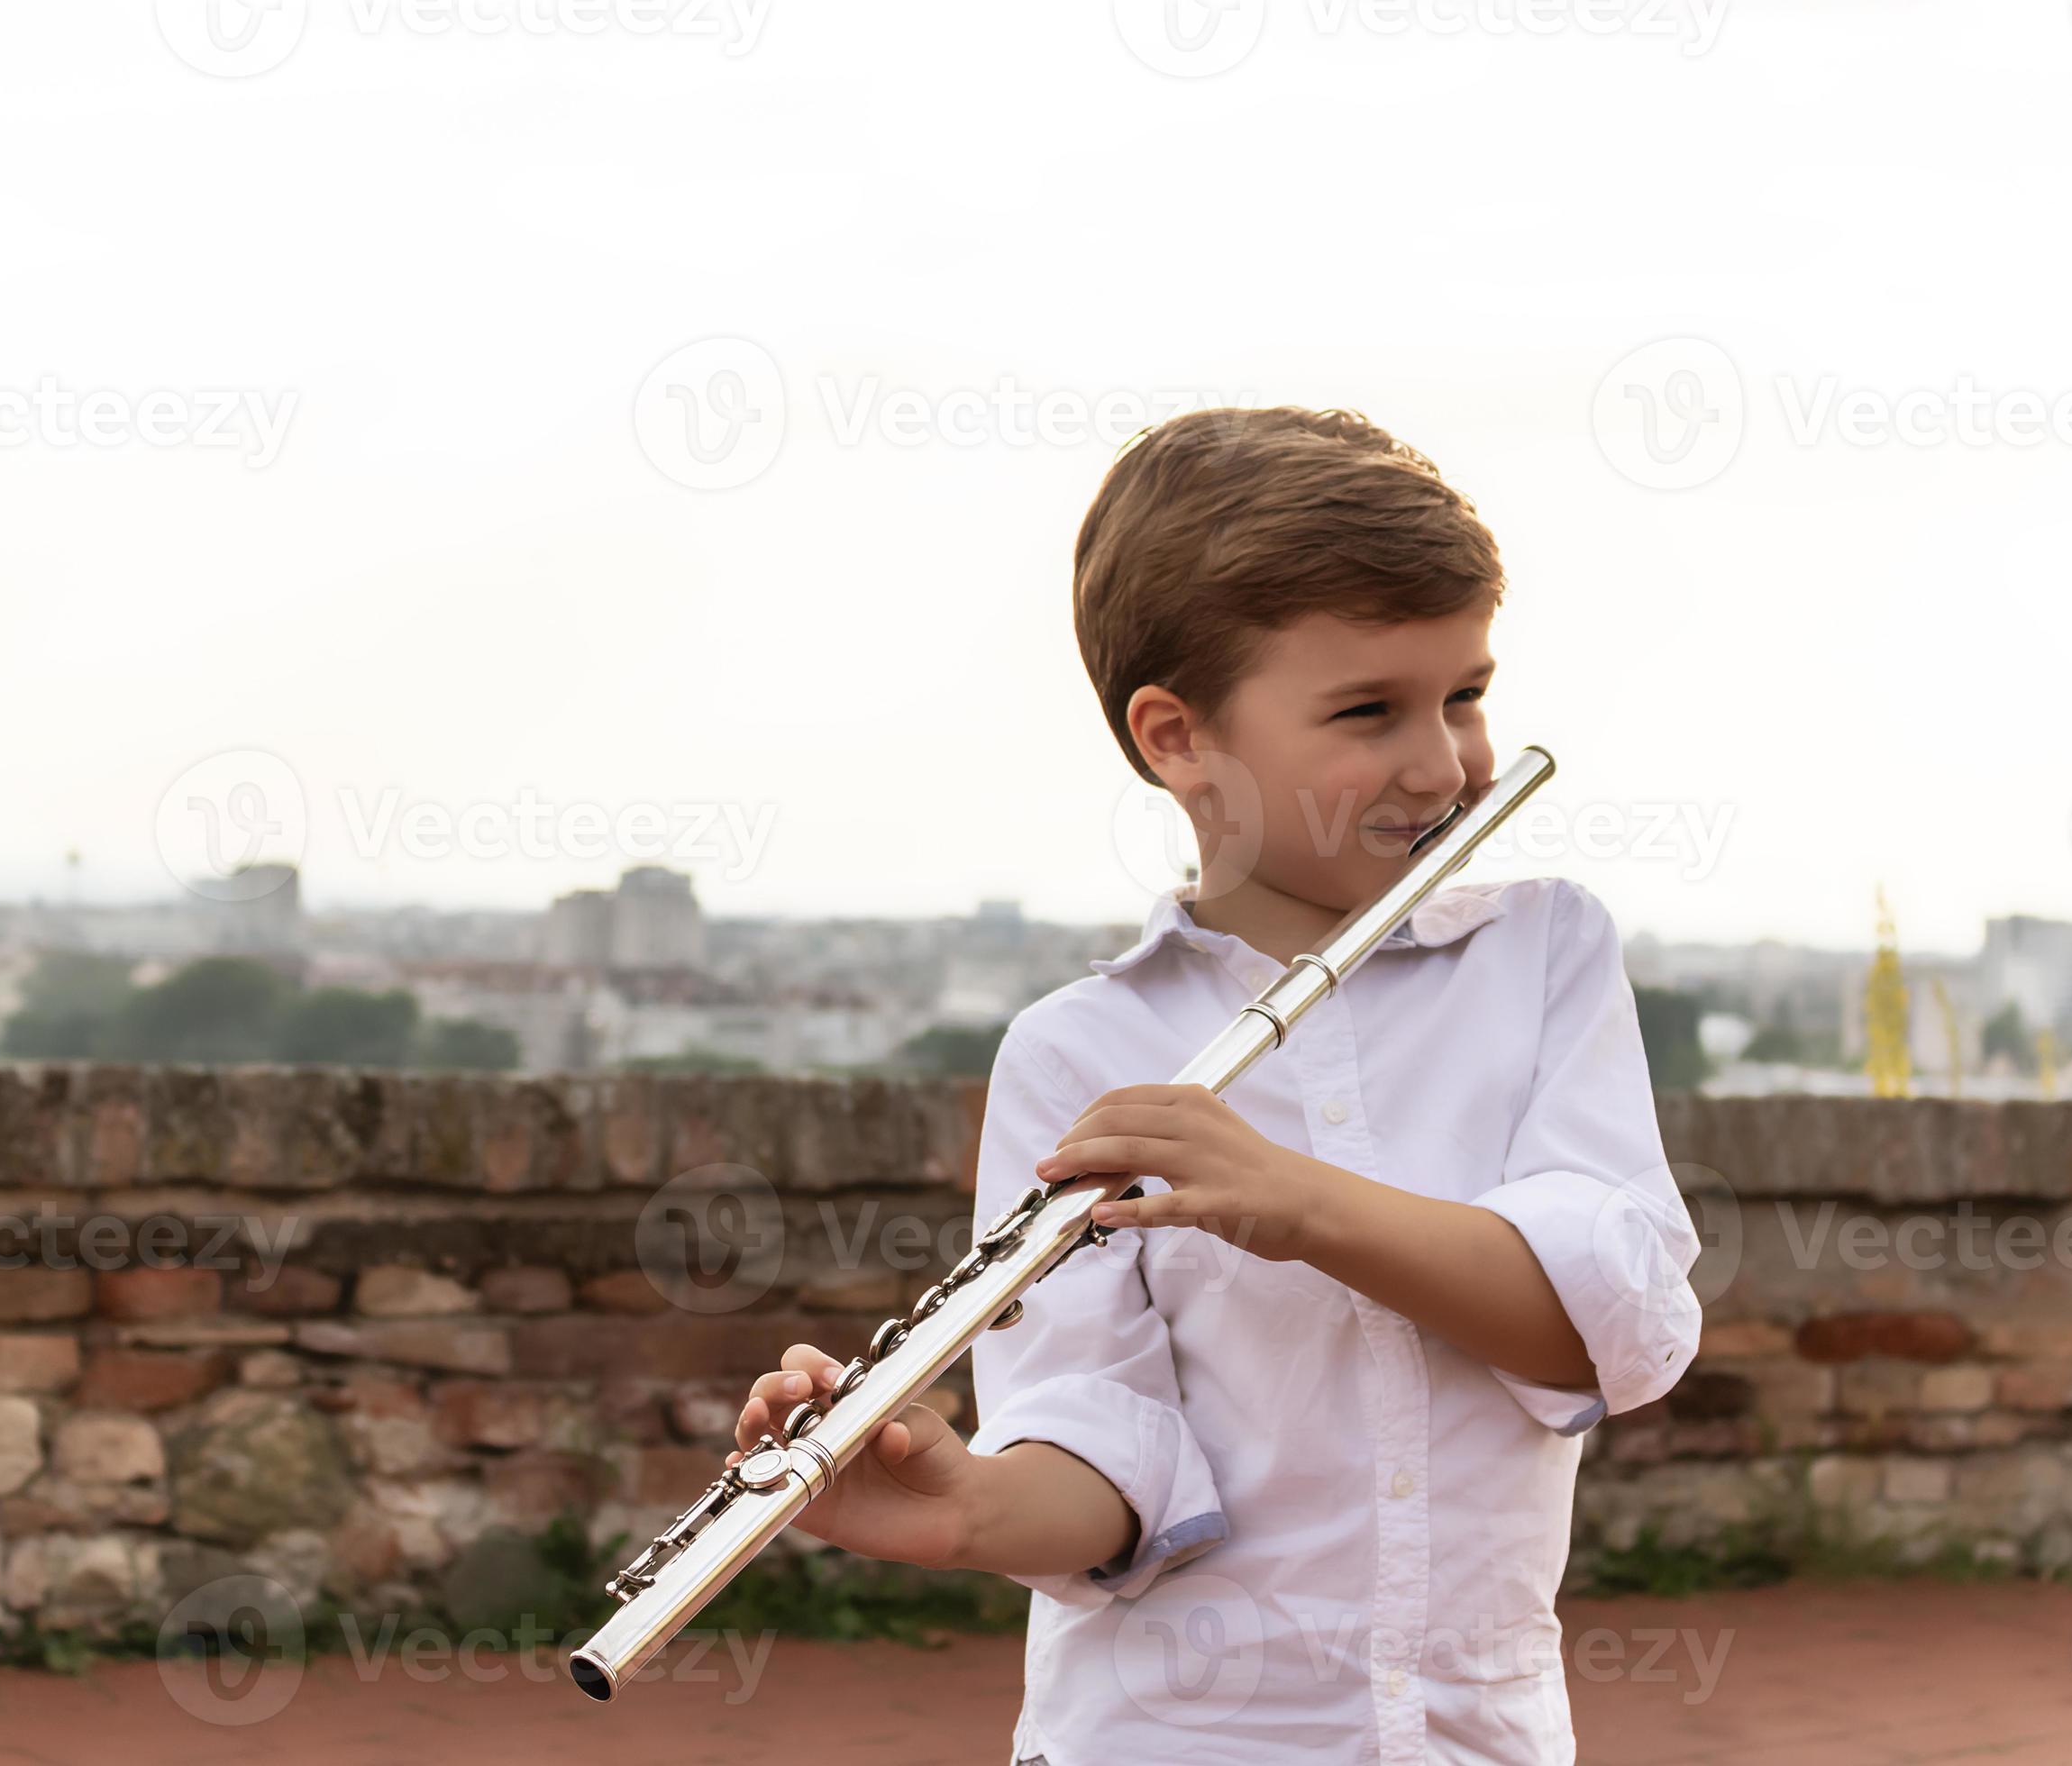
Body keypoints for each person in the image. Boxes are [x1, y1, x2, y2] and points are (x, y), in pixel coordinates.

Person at [729, 406, 1702, 1764]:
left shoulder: (1543, 956)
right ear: (1179, 738)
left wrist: (1294, 1200)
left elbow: (1617, 1325)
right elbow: (1105, 1461)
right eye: (1370, 711)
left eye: (1464, 694)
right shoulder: (1077, 1054)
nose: (1444, 763)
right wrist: (961, 1506)